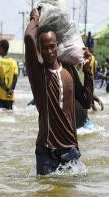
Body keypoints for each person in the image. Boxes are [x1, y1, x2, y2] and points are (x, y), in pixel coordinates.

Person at [25, 8, 93, 175]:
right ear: (39, 50)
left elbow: (85, 101)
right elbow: (28, 37)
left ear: (57, 46)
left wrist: (88, 72)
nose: (49, 51)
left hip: (71, 149)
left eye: (52, 46)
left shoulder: (69, 70)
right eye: (44, 48)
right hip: (46, 152)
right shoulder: (38, 73)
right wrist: (34, 18)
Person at [0, 39, 19, 110]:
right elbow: (15, 77)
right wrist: (11, 89)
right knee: (9, 116)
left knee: (0, 117)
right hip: (10, 96)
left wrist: (7, 89)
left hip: (0, 95)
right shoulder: (14, 62)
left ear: (2, 48)